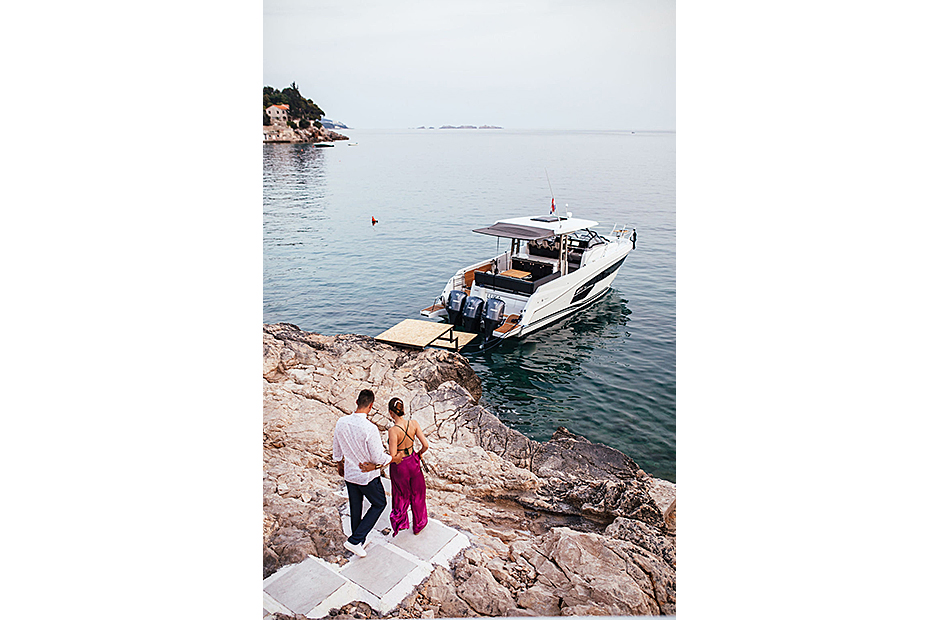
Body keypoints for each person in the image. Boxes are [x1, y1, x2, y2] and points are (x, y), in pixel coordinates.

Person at [332, 389, 403, 557]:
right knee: (379, 503)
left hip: (350, 473)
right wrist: (394, 459)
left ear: (357, 402)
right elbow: (378, 457)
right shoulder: (370, 429)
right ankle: (355, 540)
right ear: (371, 406)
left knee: (356, 507)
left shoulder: (341, 422)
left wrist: (339, 463)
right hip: (367, 476)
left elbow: (337, 445)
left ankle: (358, 541)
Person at [361, 397, 429, 536]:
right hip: (413, 461)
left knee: (401, 494)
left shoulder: (393, 431)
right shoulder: (414, 423)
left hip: (400, 465)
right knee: (418, 493)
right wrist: (419, 454)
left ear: (391, 413)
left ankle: (401, 523)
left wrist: (375, 466)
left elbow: (392, 455)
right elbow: (426, 445)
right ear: (402, 410)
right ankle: (419, 525)